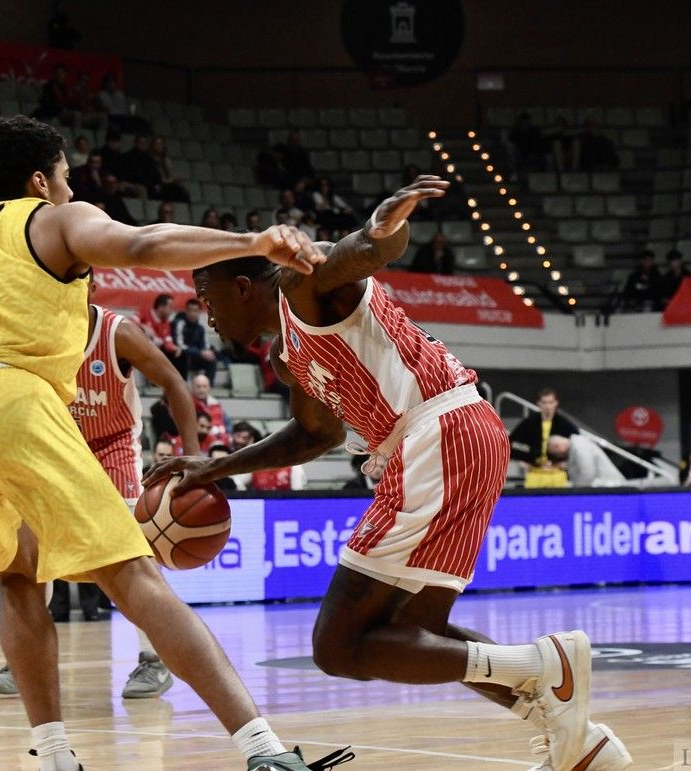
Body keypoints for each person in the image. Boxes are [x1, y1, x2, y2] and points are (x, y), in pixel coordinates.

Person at [0, 115, 340, 771]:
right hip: (3, 401)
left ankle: (55, 753)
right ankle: (263, 748)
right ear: (40, 179)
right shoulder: (52, 218)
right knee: (131, 570)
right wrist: (248, 238)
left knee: (18, 570)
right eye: (64, 176)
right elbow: (142, 245)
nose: (69, 188)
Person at [145, 177, 629, 771]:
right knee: (416, 630)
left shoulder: (300, 285)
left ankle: (543, 665)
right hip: (458, 437)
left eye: (206, 297)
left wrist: (381, 227)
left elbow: (360, 255)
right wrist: (218, 464)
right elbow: (315, 435)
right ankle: (576, 737)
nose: (206, 315)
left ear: (242, 285)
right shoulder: (289, 352)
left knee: (338, 645)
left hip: (437, 435)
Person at [0, 280, 203, 698]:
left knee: (129, 552)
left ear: (86, 288)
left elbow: (174, 383)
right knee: (28, 550)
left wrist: (194, 455)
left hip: (113, 448)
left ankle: (153, 658)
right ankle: (26, 657)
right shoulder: (31, 332)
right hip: (56, 446)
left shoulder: (117, 332)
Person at [508, 388, 580, 471]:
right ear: (539, 403)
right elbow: (512, 442)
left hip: (557, 471)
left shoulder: (564, 424)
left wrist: (567, 462)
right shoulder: (529, 422)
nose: (547, 406)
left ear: (556, 403)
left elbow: (576, 443)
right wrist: (521, 461)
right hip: (533, 469)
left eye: (550, 402)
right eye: (544, 402)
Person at [545, 434, 626, 488]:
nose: (558, 456)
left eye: (555, 453)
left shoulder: (580, 447)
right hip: (605, 488)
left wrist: (573, 487)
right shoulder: (576, 447)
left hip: (611, 488)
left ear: (557, 446)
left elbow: (587, 474)